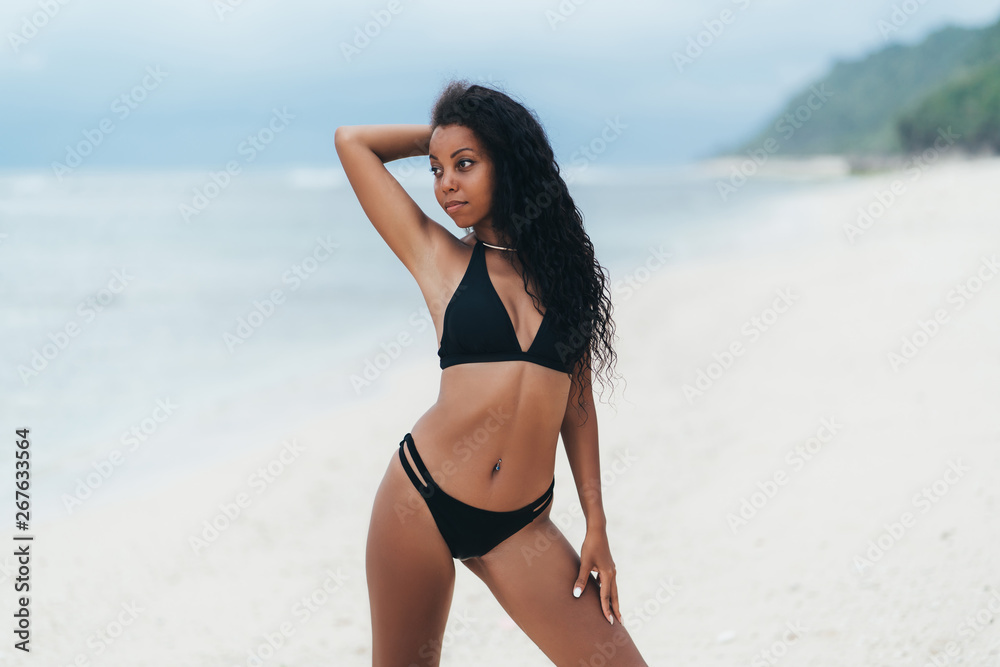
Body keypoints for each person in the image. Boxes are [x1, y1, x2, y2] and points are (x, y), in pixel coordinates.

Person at [335, 80, 647, 666]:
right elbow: (351, 142)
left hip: (520, 529)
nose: (445, 183)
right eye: (435, 168)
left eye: (466, 163)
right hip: (420, 501)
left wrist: (596, 524)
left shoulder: (567, 281)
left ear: (508, 163)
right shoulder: (438, 256)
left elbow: (576, 408)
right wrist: (445, 132)